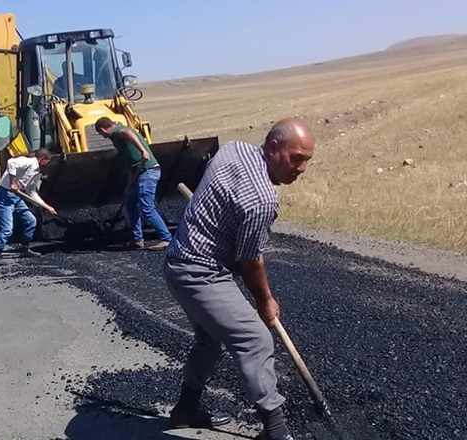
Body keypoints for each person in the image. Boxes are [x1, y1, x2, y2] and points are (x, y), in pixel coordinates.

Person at [163, 118, 315, 440]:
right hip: (198, 272)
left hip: (178, 262)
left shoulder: (234, 149)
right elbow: (250, 262)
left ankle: (185, 410)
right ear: (274, 147)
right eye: (296, 158)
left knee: (210, 338)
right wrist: (265, 301)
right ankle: (276, 429)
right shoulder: (262, 200)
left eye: (306, 161)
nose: (301, 169)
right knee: (255, 339)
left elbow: (218, 196)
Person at [94, 117, 172, 251]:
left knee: (147, 208)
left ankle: (167, 239)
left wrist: (143, 150)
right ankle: (137, 240)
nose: (102, 137)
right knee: (130, 203)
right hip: (138, 173)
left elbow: (128, 133)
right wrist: (128, 186)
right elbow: (131, 166)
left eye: (100, 134)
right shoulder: (116, 138)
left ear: (102, 129)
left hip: (148, 171)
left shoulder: (119, 132)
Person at [0, 148, 57, 266]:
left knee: (31, 221)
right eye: (48, 161)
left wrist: (47, 206)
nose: (48, 165)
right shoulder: (28, 162)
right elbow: (11, 162)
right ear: (43, 159)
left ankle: (25, 248)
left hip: (16, 197)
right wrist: (13, 182)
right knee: (7, 228)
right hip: (4, 196)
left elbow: (31, 193)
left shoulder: (35, 172)